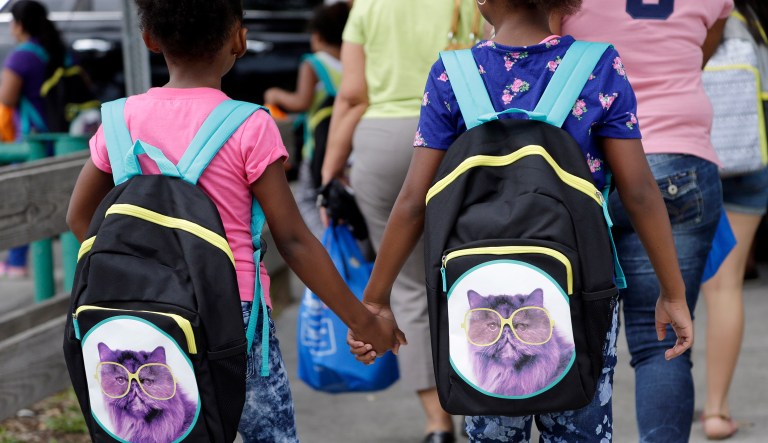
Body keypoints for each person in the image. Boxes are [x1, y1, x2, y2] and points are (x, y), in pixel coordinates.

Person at [348, 0, 693, 441]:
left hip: (482, 292)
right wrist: (673, 291)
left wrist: (376, 299)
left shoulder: (451, 73)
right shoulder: (599, 65)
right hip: (582, 288)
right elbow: (641, 193)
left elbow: (415, 200)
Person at [65, 1, 403, 442]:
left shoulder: (117, 121)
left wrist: (137, 273)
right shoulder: (249, 125)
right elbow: (294, 240)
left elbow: (79, 218)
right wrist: (361, 321)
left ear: (149, 40)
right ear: (239, 39)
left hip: (144, 316)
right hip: (234, 314)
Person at [556, 1, 732, 441]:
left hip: (589, 166)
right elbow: (708, 40)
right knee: (663, 344)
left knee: (575, 339)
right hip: (681, 153)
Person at [320, 0, 480, 441]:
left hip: (383, 142)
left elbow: (352, 95)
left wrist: (329, 170)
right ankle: (480, 397)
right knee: (470, 272)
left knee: (406, 285)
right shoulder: (464, 2)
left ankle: (436, 422)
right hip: (459, 137)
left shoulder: (367, 7)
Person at [700, 1, 768, 439]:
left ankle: (670, 391)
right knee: (725, 287)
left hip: (690, 157)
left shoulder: (685, 15)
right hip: (749, 161)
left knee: (673, 287)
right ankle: (716, 410)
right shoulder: (752, 22)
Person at [264, 2, 349, 239]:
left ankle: (326, 248)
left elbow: (301, 101)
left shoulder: (314, 63)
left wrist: (275, 94)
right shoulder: (348, 64)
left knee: (306, 199)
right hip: (346, 146)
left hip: (317, 149)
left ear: (318, 35)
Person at [0, 0, 66, 278]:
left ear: (20, 24)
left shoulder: (22, 56)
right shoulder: (57, 50)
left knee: (25, 197)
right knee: (59, 195)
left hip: (33, 138)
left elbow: (6, 97)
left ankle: (16, 262)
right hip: (62, 135)